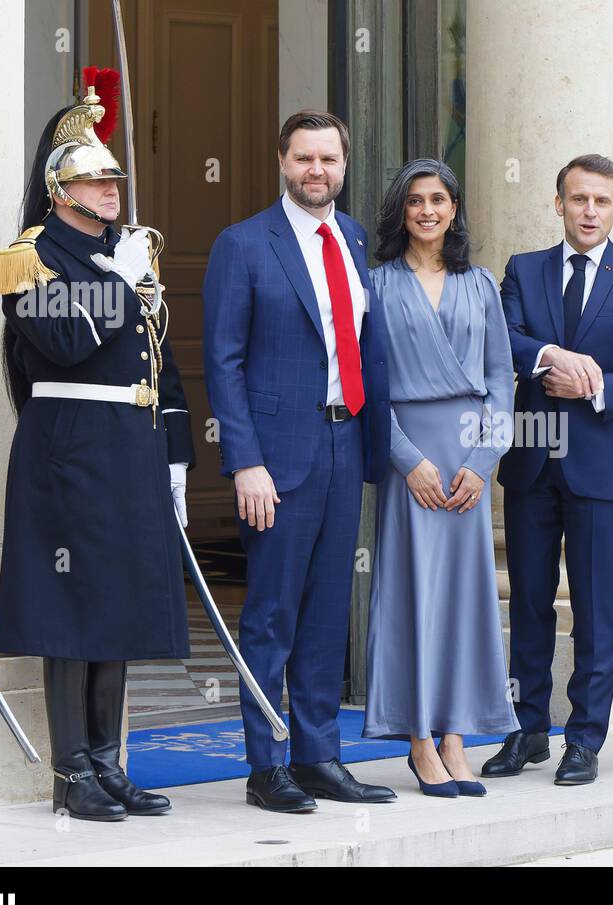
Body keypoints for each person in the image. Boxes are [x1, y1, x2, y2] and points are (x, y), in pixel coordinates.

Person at [0, 74, 193, 822]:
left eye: (113, 178)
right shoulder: (30, 256)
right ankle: (72, 772)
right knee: (72, 608)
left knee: (120, 604)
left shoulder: (129, 251)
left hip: (129, 445)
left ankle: (108, 762)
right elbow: (65, 340)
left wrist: (176, 452)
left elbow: (159, 358)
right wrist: (119, 282)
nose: (110, 189)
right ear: (58, 187)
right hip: (70, 447)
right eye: (93, 178)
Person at [203, 109, 394, 811]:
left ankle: (320, 757)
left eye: (330, 160)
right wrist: (243, 461)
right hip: (277, 459)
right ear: (282, 162)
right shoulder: (243, 245)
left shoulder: (352, 238)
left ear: (345, 166)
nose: (318, 171)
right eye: (305, 159)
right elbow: (223, 362)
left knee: (324, 614)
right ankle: (266, 766)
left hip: (347, 442)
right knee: (272, 614)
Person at [481, 154, 613, 786]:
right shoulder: (524, 270)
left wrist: (599, 387)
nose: (588, 211)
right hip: (533, 464)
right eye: (577, 200)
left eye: (601, 201)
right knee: (531, 605)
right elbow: (499, 339)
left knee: (595, 610)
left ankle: (585, 738)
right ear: (559, 203)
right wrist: (550, 356)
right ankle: (527, 729)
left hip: (602, 468)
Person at [362, 158, 519, 798]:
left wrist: (482, 463)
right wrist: (407, 461)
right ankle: (419, 739)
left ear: (454, 210)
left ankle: (456, 735)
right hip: (411, 461)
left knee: (462, 599)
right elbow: (367, 388)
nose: (428, 210)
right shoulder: (374, 285)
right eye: (416, 201)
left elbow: (503, 378)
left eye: (439, 200)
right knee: (410, 594)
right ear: (402, 212)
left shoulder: (481, 285)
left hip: (468, 464)